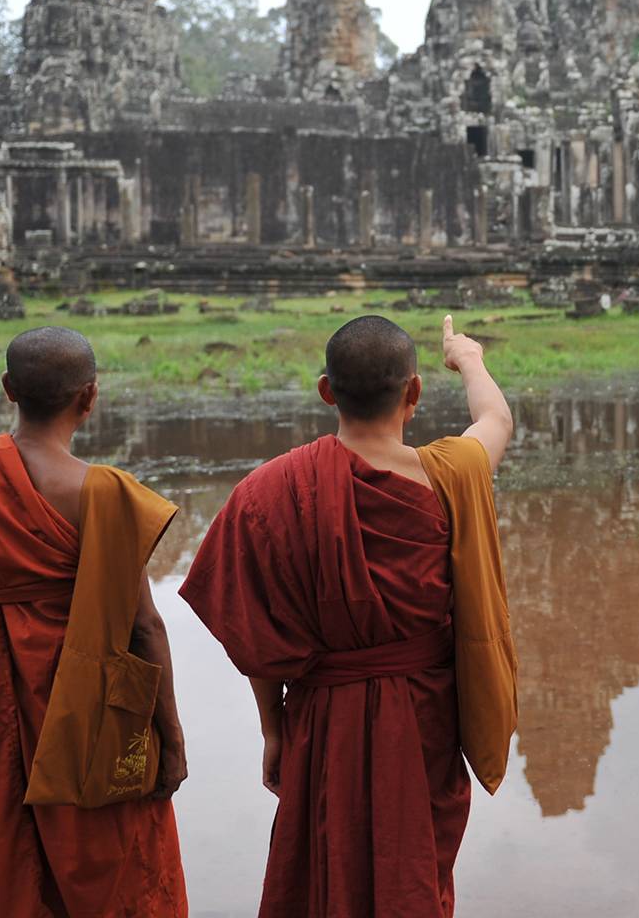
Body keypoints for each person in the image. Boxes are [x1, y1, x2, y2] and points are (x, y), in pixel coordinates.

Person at [181, 315, 518, 918]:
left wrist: (273, 729)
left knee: (317, 873)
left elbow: (257, 633)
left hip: (320, 715)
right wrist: (468, 359)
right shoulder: (451, 475)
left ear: (325, 391)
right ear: (413, 394)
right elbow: (496, 420)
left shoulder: (268, 491)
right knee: (414, 869)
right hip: (424, 719)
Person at [0, 326, 188, 917]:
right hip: (83, 700)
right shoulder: (102, 493)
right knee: (107, 860)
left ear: (8, 389)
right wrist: (172, 742)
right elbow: (144, 628)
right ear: (89, 398)